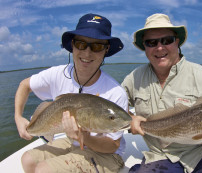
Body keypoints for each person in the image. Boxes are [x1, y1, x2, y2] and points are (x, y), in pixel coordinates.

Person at [122, 13, 202, 173]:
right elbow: (114, 109)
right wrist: (130, 119)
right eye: (151, 42)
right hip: (160, 156)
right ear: (145, 47)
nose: (159, 47)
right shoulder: (133, 79)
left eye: (167, 40)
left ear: (177, 41)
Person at [14, 13, 128, 173]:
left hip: (106, 154)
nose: (87, 53)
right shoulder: (56, 74)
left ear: (106, 50)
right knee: (27, 160)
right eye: (81, 44)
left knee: (44, 170)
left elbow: (113, 146)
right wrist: (18, 118)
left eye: (97, 46)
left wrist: (84, 137)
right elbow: (24, 85)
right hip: (71, 141)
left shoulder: (116, 93)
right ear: (72, 45)